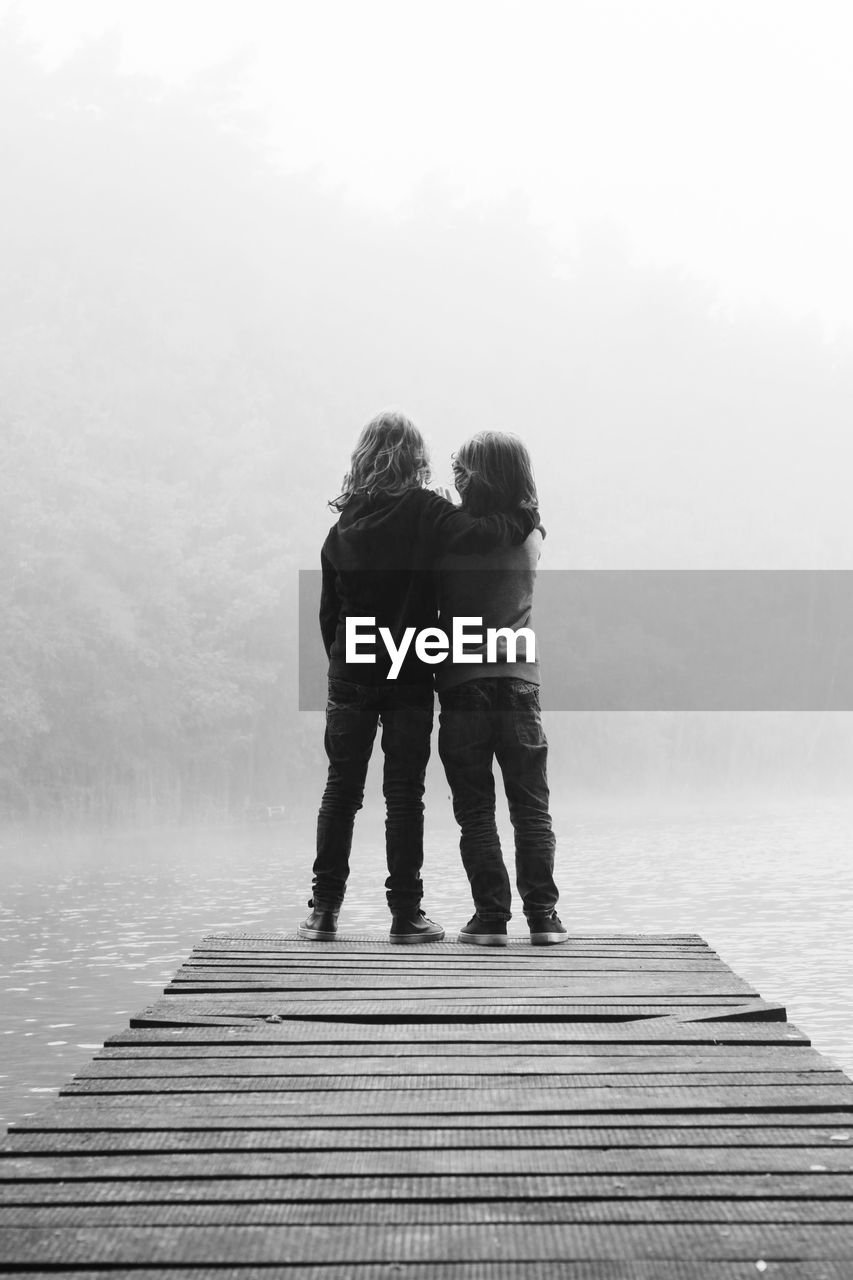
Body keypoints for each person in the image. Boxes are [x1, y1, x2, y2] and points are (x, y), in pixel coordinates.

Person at [299, 411, 539, 944]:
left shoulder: (340, 530)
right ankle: (406, 917)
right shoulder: (425, 511)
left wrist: (344, 670)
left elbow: (327, 616)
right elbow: (482, 534)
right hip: (408, 671)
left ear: (362, 460)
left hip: (352, 672)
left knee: (341, 791)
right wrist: (525, 517)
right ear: (416, 460)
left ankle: (323, 912)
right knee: (404, 795)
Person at [436, 431, 566, 946]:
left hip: (463, 684)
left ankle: (491, 919)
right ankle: (544, 918)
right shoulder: (533, 536)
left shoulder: (450, 537)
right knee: (530, 807)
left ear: (477, 476)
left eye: (463, 469)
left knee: (476, 812)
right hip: (519, 686)